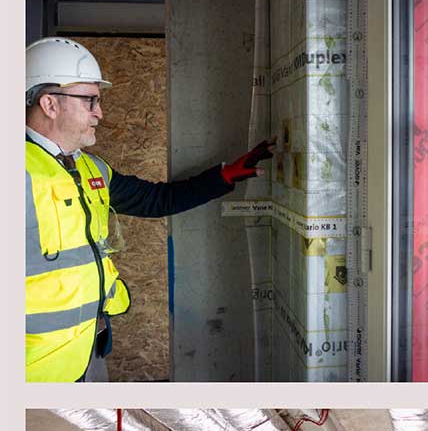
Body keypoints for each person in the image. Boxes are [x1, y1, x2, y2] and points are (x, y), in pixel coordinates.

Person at [26, 37, 275, 383]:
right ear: (50, 104)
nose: (100, 112)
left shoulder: (91, 169)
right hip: (34, 371)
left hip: (89, 351)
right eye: (90, 100)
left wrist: (226, 175)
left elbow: (156, 200)